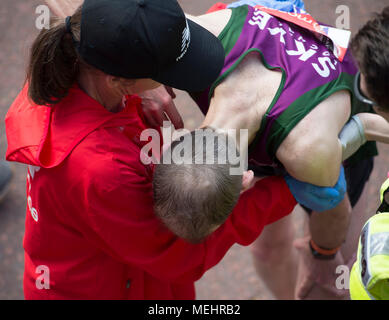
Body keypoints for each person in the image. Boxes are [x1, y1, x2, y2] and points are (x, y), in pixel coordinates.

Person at [5, 0, 344, 300]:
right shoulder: (100, 170)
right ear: (117, 80)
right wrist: (284, 190)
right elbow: (179, 253)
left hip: (134, 269)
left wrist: (140, 91)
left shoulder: (75, 68)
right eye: (167, 70)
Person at [153, 4, 389, 300]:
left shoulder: (309, 150)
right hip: (289, 111)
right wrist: (149, 81)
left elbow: (335, 213)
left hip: (322, 132)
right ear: (180, 138)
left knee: (330, 279)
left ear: (246, 182)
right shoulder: (191, 47)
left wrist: (322, 254)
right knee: (269, 252)